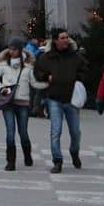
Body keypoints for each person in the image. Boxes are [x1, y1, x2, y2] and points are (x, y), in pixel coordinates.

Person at [0, 39, 46, 171]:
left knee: (23, 132)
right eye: (10, 48)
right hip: (8, 102)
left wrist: (47, 84)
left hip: (23, 103)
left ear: (20, 50)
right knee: (10, 131)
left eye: (14, 49)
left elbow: (34, 83)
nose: (11, 51)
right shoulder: (3, 63)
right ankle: (11, 161)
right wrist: (1, 88)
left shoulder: (28, 65)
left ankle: (27, 155)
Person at [35, 29, 88, 173]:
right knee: (56, 131)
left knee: (75, 132)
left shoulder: (76, 56)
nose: (66, 40)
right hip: (54, 99)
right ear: (55, 40)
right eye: (63, 37)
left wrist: (78, 79)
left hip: (72, 99)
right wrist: (46, 77)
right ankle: (57, 160)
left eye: (67, 37)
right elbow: (37, 72)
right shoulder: (46, 57)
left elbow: (85, 70)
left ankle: (74, 152)